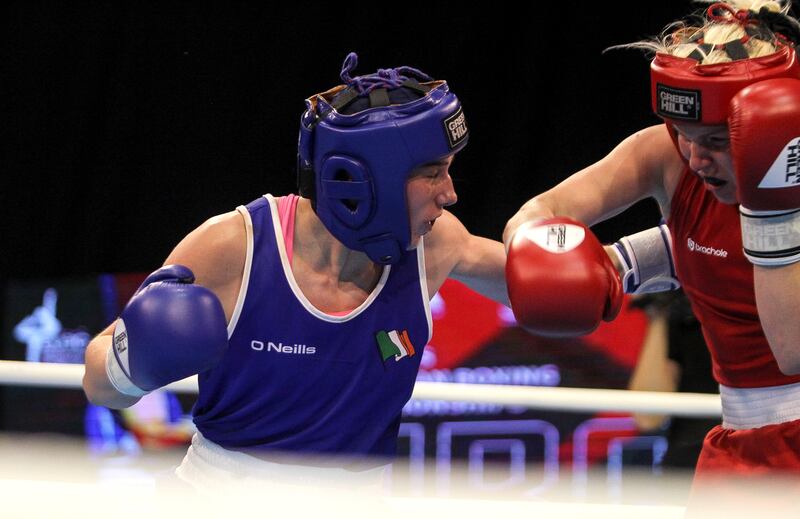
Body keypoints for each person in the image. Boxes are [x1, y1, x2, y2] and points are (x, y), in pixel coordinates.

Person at [81, 52, 508, 487]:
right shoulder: (235, 245)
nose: (450, 194)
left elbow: (536, 286)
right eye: (434, 173)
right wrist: (132, 358)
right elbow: (100, 386)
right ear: (371, 177)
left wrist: (552, 239)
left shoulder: (435, 243)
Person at [504, 0, 800, 479]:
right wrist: (550, 256)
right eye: (685, 134)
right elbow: (537, 212)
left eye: (718, 141)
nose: (697, 158)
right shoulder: (667, 157)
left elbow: (792, 350)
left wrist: (773, 194)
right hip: (742, 441)